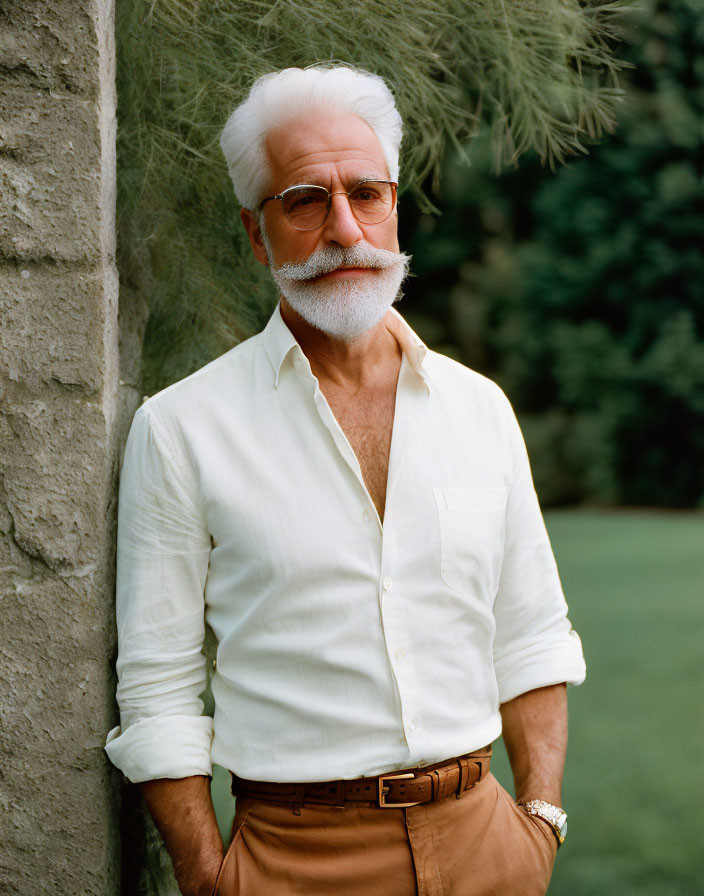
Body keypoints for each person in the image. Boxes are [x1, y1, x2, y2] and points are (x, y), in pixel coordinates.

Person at [105, 65, 586, 896]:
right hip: (294, 862)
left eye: (366, 193)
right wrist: (207, 875)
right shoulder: (182, 428)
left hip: (488, 846)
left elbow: (531, 637)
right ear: (257, 234)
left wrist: (538, 821)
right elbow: (158, 684)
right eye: (305, 201)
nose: (345, 229)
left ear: (394, 207)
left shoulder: (480, 410)